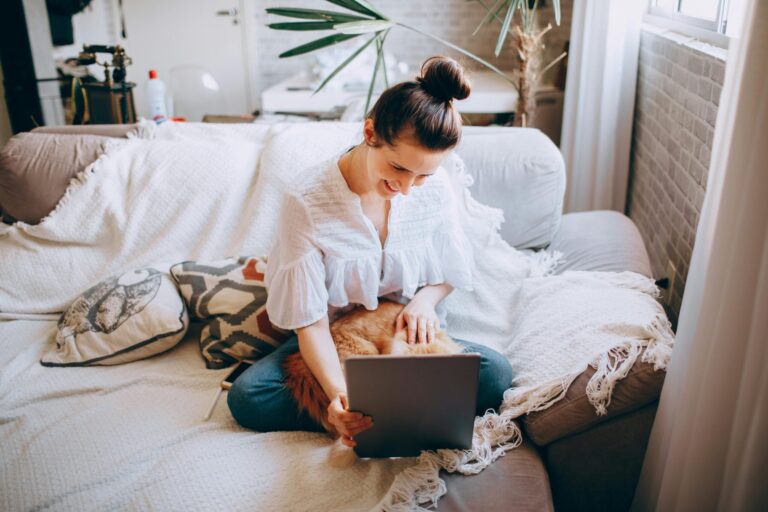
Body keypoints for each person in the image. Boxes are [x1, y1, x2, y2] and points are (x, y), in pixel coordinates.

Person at [228, 56, 513, 448]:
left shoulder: (435, 187)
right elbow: (308, 322)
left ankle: (386, 412)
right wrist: (336, 395)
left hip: (400, 327)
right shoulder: (307, 202)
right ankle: (382, 413)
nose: (408, 188)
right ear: (370, 132)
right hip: (331, 333)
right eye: (397, 168)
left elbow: (449, 271)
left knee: (496, 375)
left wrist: (425, 303)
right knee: (248, 399)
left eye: (423, 175)